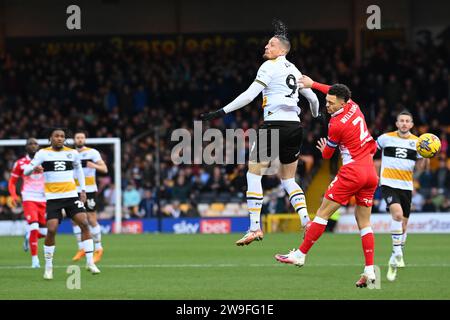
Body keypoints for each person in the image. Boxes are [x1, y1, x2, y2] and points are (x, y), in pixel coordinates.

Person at [200, 20, 319, 245]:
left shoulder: (268, 67)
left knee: (253, 174)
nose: (266, 47)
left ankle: (254, 227)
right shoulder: (294, 69)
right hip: (294, 127)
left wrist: (221, 111)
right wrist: (316, 114)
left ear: (282, 50)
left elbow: (248, 95)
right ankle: (306, 221)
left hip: (274, 125)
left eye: (271, 44)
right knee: (288, 179)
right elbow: (312, 98)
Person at [274, 75, 379, 288]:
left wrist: (324, 149)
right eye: (327, 101)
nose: (327, 105)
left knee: (322, 214)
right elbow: (333, 89)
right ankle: (369, 270)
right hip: (370, 173)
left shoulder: (336, 124)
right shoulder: (354, 105)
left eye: (331, 103)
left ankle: (300, 254)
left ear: (342, 102)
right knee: (365, 224)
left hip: (353, 172)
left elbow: (329, 155)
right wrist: (313, 85)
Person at [24, 128, 100, 280]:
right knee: (51, 230)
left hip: (71, 196)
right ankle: (48, 267)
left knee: (84, 223)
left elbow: (79, 171)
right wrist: (34, 167)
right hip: (53, 199)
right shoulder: (42, 153)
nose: (59, 138)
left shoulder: (72, 153)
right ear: (50, 138)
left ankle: (90, 262)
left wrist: (83, 190)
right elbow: (26, 171)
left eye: (62, 136)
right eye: (56, 136)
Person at [376, 111, 429, 281]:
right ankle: (398, 251)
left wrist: (427, 157)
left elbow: (421, 169)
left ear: (412, 124)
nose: (404, 123)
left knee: (404, 226)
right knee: (397, 215)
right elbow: (370, 151)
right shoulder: (385, 138)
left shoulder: (417, 143)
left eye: (408, 121)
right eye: (402, 121)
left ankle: (394, 260)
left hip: (406, 187)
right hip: (388, 184)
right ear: (397, 123)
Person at [8, 138, 47, 268]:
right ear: (26, 147)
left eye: (35, 143)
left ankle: (28, 236)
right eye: (30, 143)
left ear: (39, 146)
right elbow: (12, 182)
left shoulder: (46, 160)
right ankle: (35, 260)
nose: (33, 145)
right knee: (34, 226)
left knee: (45, 232)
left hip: (44, 198)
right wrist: (14, 195)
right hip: (29, 197)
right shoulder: (20, 163)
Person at [71, 130, 108, 263]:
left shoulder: (92, 152)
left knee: (91, 218)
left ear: (85, 139)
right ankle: (81, 248)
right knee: (74, 219)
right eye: (77, 137)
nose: (80, 139)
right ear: (74, 139)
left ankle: (98, 248)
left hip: (90, 190)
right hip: (73, 190)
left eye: (82, 137)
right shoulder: (70, 153)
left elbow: (105, 169)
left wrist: (94, 165)